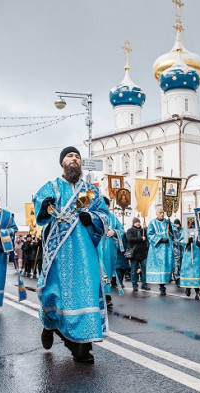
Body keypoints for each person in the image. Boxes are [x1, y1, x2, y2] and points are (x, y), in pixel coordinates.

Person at [34, 146, 110, 363]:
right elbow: (40, 209)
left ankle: (83, 348)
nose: (74, 159)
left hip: (84, 254)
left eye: (77, 157)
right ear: (62, 163)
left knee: (85, 295)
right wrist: (44, 206)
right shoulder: (52, 187)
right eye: (70, 156)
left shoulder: (90, 192)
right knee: (53, 294)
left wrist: (93, 218)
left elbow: (105, 216)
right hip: (58, 254)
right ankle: (49, 325)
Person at [98, 197, 124, 308]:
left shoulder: (113, 217)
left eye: (106, 205)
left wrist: (114, 232)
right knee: (97, 272)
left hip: (109, 250)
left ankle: (107, 296)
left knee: (107, 272)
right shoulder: (95, 216)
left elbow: (121, 229)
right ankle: (97, 298)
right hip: (97, 248)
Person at [146, 206, 174, 296]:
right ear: (156, 214)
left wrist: (171, 229)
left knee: (166, 267)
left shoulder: (167, 222)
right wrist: (161, 239)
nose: (162, 214)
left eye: (163, 213)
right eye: (160, 213)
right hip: (157, 249)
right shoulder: (152, 223)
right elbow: (149, 234)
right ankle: (162, 287)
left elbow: (175, 232)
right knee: (159, 268)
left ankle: (168, 281)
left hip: (166, 249)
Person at [126, 217, 149, 291]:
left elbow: (148, 237)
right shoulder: (130, 230)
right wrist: (141, 239)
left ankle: (144, 284)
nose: (138, 223)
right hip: (134, 254)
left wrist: (146, 229)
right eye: (136, 222)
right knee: (133, 270)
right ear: (133, 223)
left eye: (139, 222)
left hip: (143, 253)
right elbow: (130, 239)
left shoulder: (143, 230)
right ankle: (134, 285)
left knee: (144, 270)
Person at [180, 233, 200, 299]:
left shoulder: (199, 230)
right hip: (188, 254)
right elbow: (181, 241)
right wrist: (187, 242)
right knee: (187, 271)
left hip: (197, 253)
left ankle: (197, 291)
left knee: (197, 273)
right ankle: (187, 287)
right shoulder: (185, 230)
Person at [172, 218, 183, 285]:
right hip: (175, 249)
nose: (176, 225)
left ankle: (181, 277)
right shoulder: (173, 230)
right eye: (175, 224)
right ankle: (177, 277)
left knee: (181, 264)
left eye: (177, 224)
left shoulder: (182, 230)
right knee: (176, 264)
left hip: (181, 249)